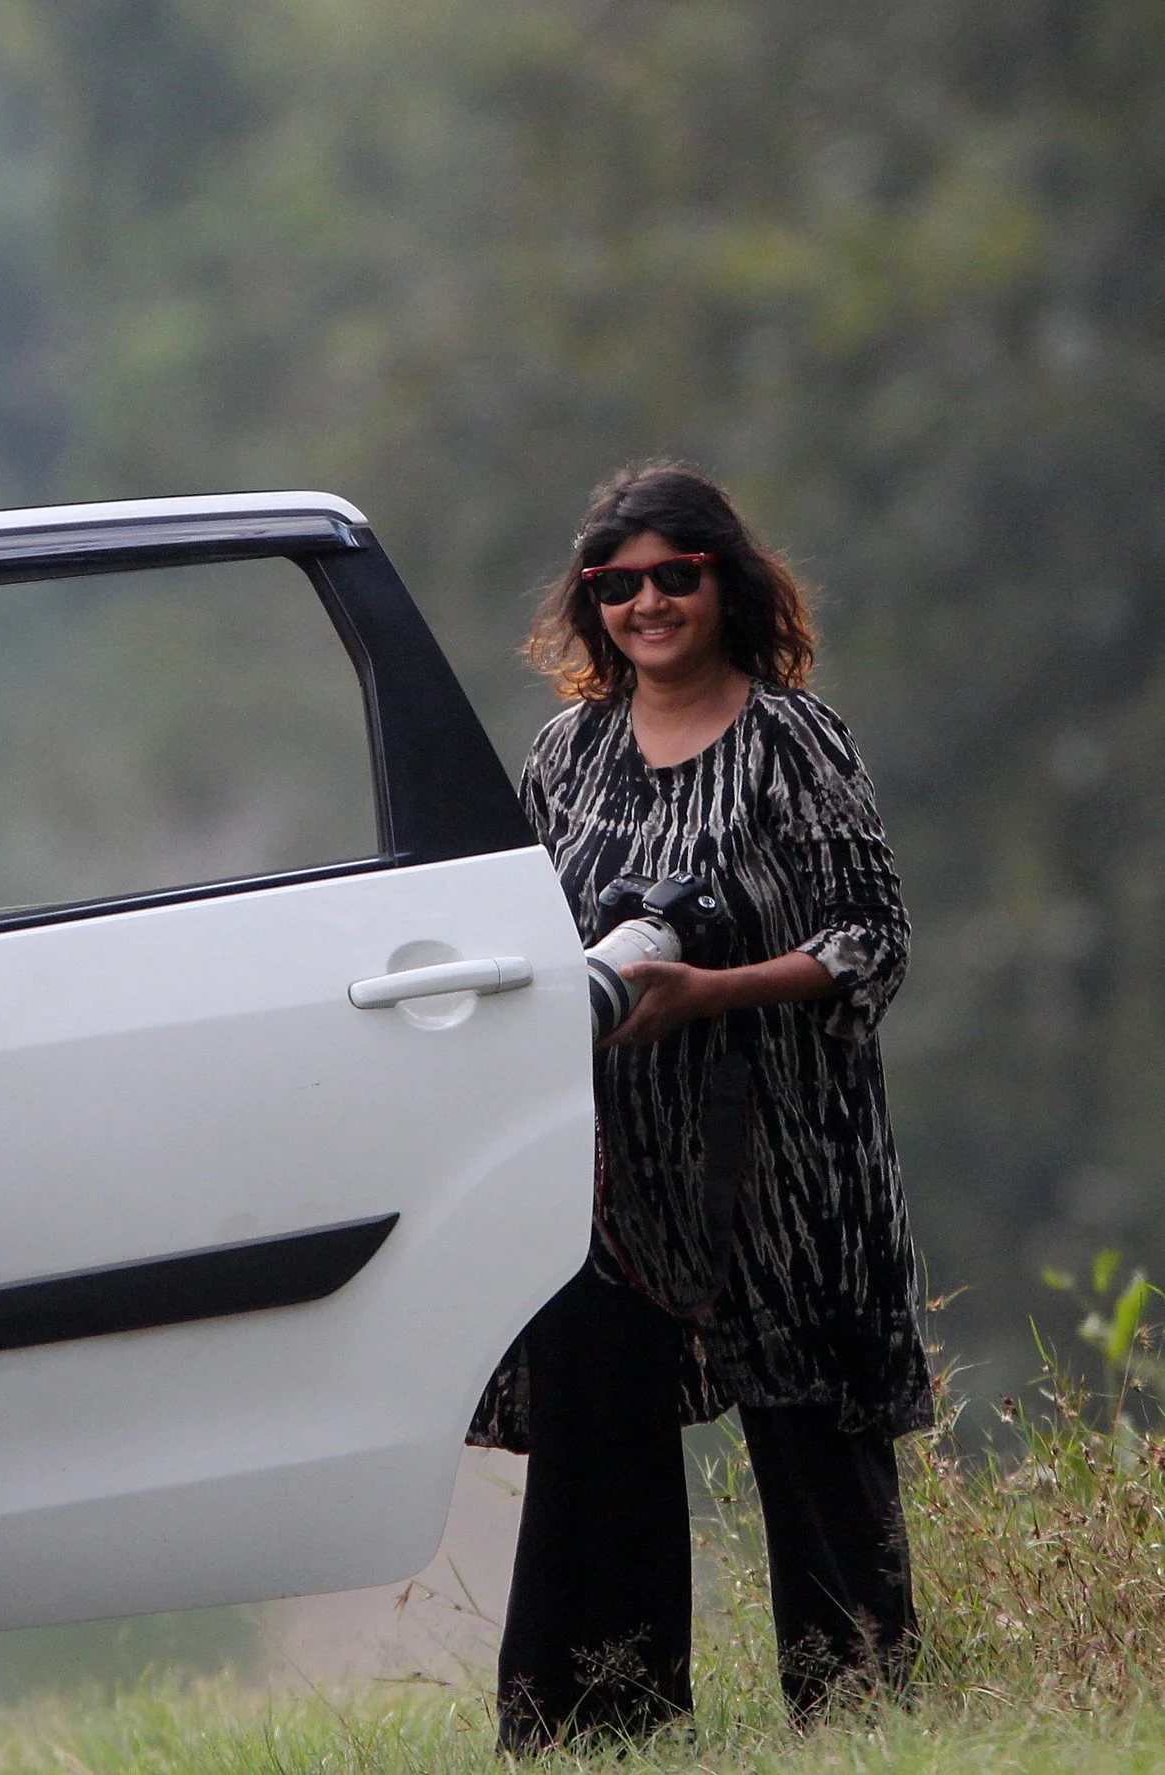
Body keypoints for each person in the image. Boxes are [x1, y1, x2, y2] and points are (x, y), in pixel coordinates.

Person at [471, 461, 930, 1751]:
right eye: (617, 585)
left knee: (814, 1434)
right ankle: (596, 1729)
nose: (649, 604)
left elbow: (873, 940)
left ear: (729, 582)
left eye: (677, 575)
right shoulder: (565, 755)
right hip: (612, 1162)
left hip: (791, 1155)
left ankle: (858, 1722)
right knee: (594, 1441)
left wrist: (711, 990)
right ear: (589, 604)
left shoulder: (796, 739)